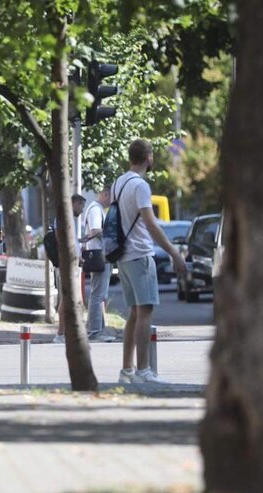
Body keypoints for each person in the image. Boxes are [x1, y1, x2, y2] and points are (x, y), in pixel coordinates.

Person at [112, 139, 186, 384]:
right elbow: (151, 225)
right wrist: (174, 252)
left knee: (134, 313)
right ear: (149, 158)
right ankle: (143, 371)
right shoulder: (140, 185)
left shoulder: (119, 183)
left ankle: (127, 370)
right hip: (140, 254)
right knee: (145, 312)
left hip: (123, 256)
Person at [80, 188, 115, 343]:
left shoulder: (97, 208)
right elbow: (95, 230)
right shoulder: (95, 209)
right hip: (99, 255)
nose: (112, 202)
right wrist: (111, 230)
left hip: (100, 254)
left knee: (100, 294)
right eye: (111, 197)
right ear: (105, 194)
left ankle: (98, 330)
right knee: (98, 294)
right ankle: (94, 332)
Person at [52, 194, 86, 344]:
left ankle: (69, 331)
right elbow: (62, 240)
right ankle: (60, 333)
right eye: (81, 206)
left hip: (72, 263)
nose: (82, 210)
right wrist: (73, 257)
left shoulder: (68, 219)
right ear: (74, 204)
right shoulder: (64, 218)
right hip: (68, 264)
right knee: (67, 298)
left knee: (73, 299)